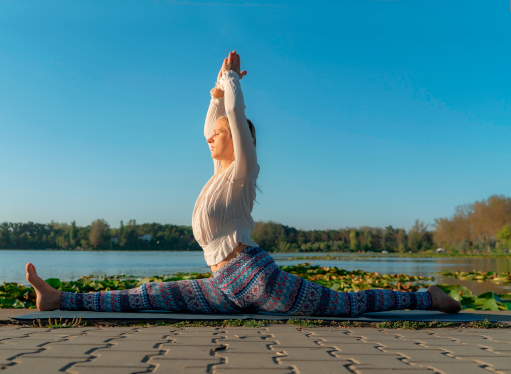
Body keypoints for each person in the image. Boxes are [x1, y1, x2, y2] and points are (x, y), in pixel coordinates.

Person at [26, 51, 461, 315]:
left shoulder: (242, 173)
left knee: (348, 305)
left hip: (257, 278)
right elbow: (216, 121)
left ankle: (429, 298)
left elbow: (234, 119)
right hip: (224, 286)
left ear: (238, 141)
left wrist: (231, 81)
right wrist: (215, 93)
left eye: (220, 134)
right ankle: (58, 300)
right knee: (150, 294)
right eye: (212, 132)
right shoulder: (216, 177)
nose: (211, 135)